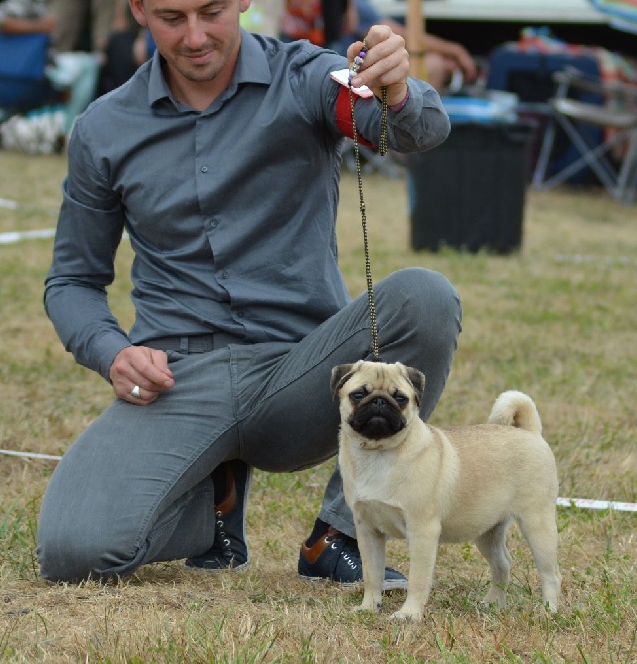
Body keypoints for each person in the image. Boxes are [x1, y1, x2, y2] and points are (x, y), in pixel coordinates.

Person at [37, 0, 462, 587]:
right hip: (178, 378)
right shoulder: (103, 128)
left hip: (301, 374)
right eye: (170, 17)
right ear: (136, 9)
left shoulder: (311, 77)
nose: (193, 37)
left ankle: (339, 536)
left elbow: (420, 131)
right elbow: (72, 282)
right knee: (73, 551)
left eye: (211, 11)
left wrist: (396, 89)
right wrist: (112, 351)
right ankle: (213, 510)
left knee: (425, 296)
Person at [0, 0, 101, 137]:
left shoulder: (49, 7)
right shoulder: (29, 5)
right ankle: (67, 134)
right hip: (27, 74)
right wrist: (37, 26)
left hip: (28, 76)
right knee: (89, 65)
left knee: (86, 66)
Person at [336, 0, 477, 92]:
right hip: (341, 78)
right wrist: (455, 50)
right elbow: (397, 34)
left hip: (343, 74)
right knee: (434, 65)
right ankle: (412, 132)